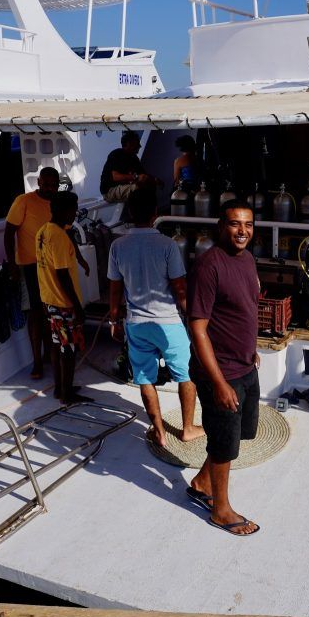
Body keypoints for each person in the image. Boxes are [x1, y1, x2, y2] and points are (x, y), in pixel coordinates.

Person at [186, 200, 261, 536]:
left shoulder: (247, 260)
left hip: (244, 363)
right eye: (234, 224)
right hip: (220, 371)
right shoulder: (208, 265)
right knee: (223, 441)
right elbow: (198, 327)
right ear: (221, 226)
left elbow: (245, 308)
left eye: (247, 224)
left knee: (240, 433)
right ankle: (220, 510)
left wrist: (252, 347)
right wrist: (218, 383)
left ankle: (202, 481)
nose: (242, 231)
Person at [107, 188, 204, 447]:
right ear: (155, 213)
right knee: (186, 374)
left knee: (145, 378)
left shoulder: (117, 246)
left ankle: (159, 431)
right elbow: (180, 289)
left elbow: (115, 289)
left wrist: (114, 320)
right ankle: (187, 428)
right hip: (169, 322)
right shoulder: (167, 245)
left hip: (136, 324)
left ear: (129, 212)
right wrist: (194, 319)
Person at [5, 167, 58, 379]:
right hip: (29, 266)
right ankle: (37, 362)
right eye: (46, 184)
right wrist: (12, 265)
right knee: (35, 315)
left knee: (50, 314)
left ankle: (49, 356)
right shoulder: (23, 201)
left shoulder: (58, 202)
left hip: (52, 267)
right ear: (39, 182)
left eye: (54, 185)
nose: (50, 189)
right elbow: (9, 233)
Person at [36, 191, 87, 405]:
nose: (75, 213)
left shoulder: (44, 230)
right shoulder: (57, 236)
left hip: (48, 299)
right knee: (68, 350)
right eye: (73, 209)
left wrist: (82, 259)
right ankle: (67, 395)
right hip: (63, 303)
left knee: (58, 346)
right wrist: (77, 306)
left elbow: (68, 239)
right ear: (62, 211)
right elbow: (63, 274)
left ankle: (60, 388)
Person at [100, 130, 156, 203]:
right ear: (129, 143)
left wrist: (154, 180)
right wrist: (136, 177)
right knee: (138, 190)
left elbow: (143, 174)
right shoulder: (116, 154)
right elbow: (116, 177)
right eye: (137, 143)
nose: (140, 146)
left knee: (149, 186)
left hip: (123, 187)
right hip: (109, 191)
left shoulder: (134, 158)